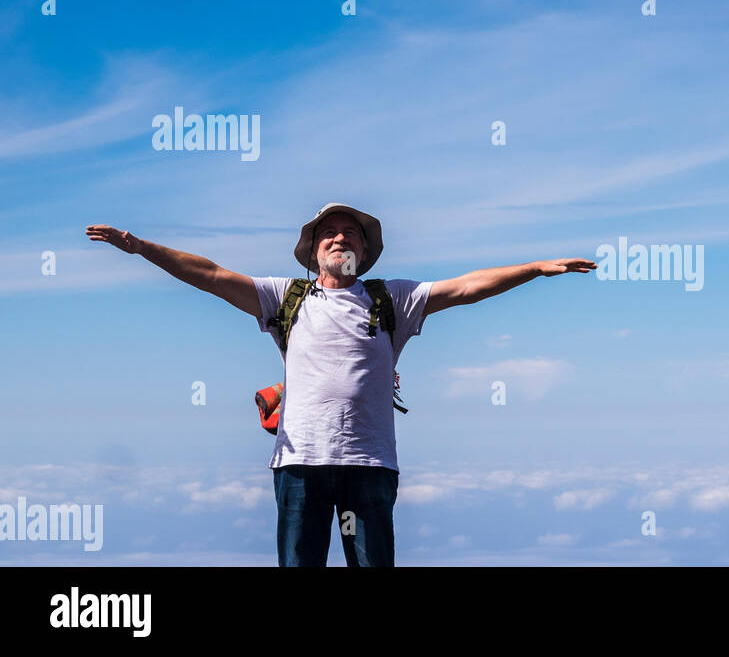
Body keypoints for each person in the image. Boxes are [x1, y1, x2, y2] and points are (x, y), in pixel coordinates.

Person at [85, 203, 595, 566]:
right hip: (300, 464)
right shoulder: (283, 296)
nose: (339, 238)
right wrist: (141, 247)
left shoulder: (393, 298)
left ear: (364, 249)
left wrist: (534, 268)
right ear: (313, 249)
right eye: (329, 232)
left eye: (350, 232)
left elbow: (465, 287)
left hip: (369, 466)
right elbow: (211, 275)